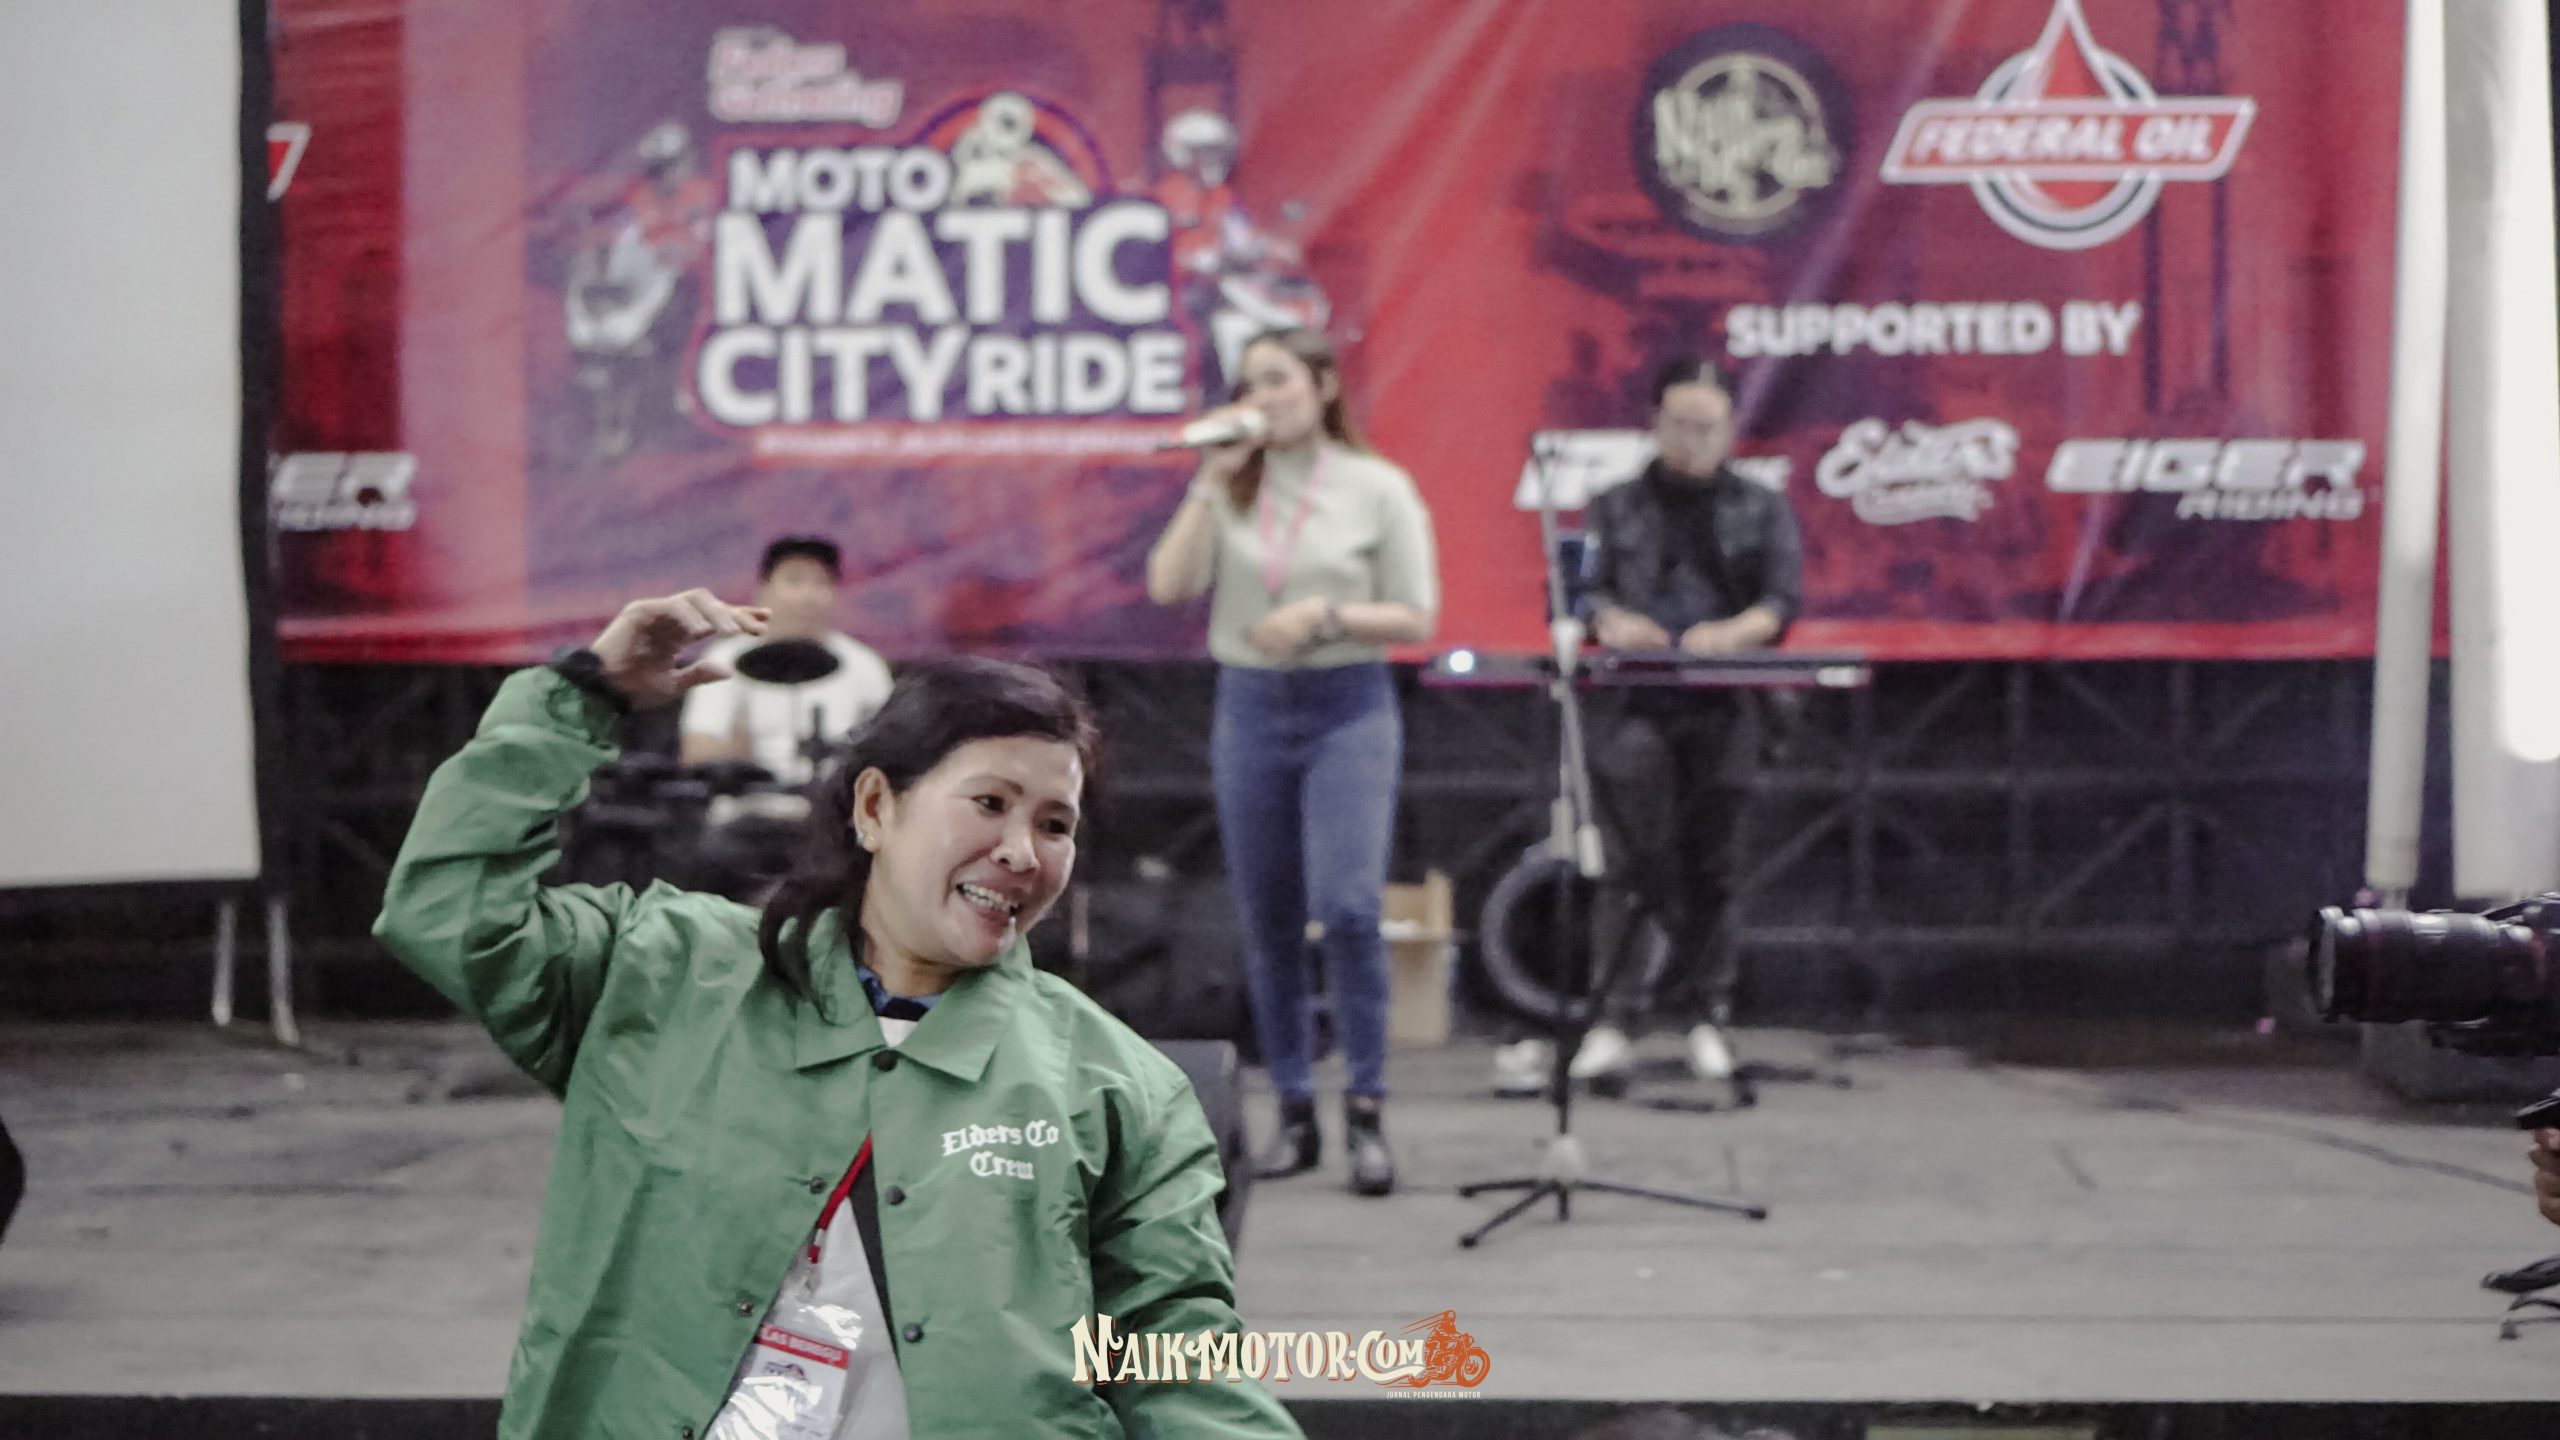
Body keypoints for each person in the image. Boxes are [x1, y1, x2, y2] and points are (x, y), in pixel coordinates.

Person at [374, 590, 1297, 1440]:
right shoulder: (660, 973)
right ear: (876, 807)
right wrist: (577, 698)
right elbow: (448, 912)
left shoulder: (1117, 1086)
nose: (1022, 851)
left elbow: (1177, 1357)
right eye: (989, 803)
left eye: (1055, 824)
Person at [1143, 326, 1439, 1198]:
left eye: (1278, 380)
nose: (1263, 398)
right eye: (1249, 384)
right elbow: (1168, 585)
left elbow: (1417, 614)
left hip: (1348, 703)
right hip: (1251, 704)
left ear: (1322, 386)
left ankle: (1368, 1108)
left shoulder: (1376, 487)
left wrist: (1325, 616)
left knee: (1348, 907)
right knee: (1266, 918)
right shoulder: (1235, 486)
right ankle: (1295, 1108)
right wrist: (1209, 478)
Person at [1493, 356, 1802, 1096]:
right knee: (1627, 864)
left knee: (1714, 867)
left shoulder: (1761, 508)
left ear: (1731, 430)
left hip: (1725, 702)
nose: (1693, 440)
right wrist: (1609, 620)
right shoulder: (1615, 507)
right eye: (1680, 425)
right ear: (1654, 424)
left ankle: (1706, 1015)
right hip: (1633, 702)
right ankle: (1615, 1018)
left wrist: (1734, 634)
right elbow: (1579, 590)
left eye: (1708, 427)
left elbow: (1782, 600)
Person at [679, 535, 894, 898]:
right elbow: (697, 751)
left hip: (837, 821)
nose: (808, 595)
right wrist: (740, 758)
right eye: (794, 581)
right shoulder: (725, 660)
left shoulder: (864, 667)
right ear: (763, 591)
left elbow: (891, 749)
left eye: (821, 583)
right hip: (748, 820)